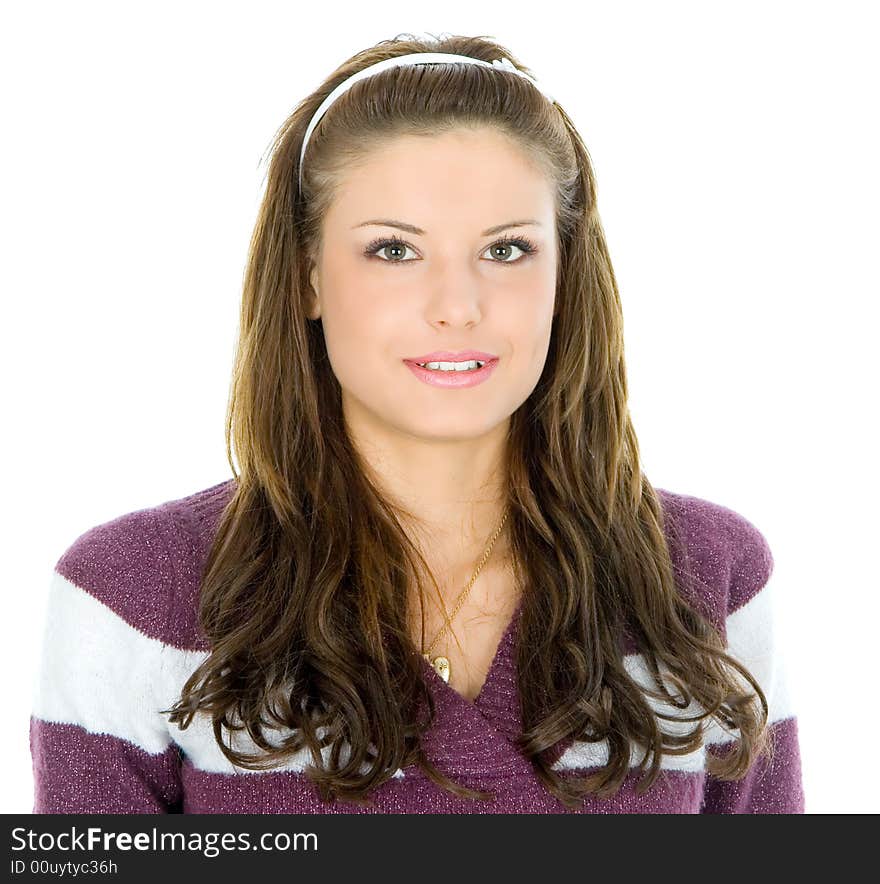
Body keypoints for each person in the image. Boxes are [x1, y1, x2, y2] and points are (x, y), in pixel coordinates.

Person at [30, 33, 805, 813]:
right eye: (394, 249)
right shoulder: (132, 599)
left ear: (565, 276)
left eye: (507, 249)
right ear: (307, 277)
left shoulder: (711, 581)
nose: (458, 306)